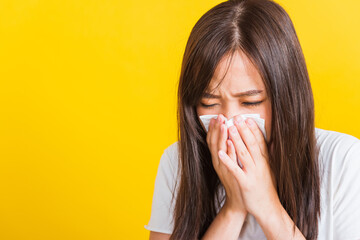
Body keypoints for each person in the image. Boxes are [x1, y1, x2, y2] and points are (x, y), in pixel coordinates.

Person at [144, 0, 360, 239]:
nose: (229, 120)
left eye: (250, 102)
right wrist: (233, 209)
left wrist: (266, 204)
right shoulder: (178, 162)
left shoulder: (344, 161)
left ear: (286, 96)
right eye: (209, 103)